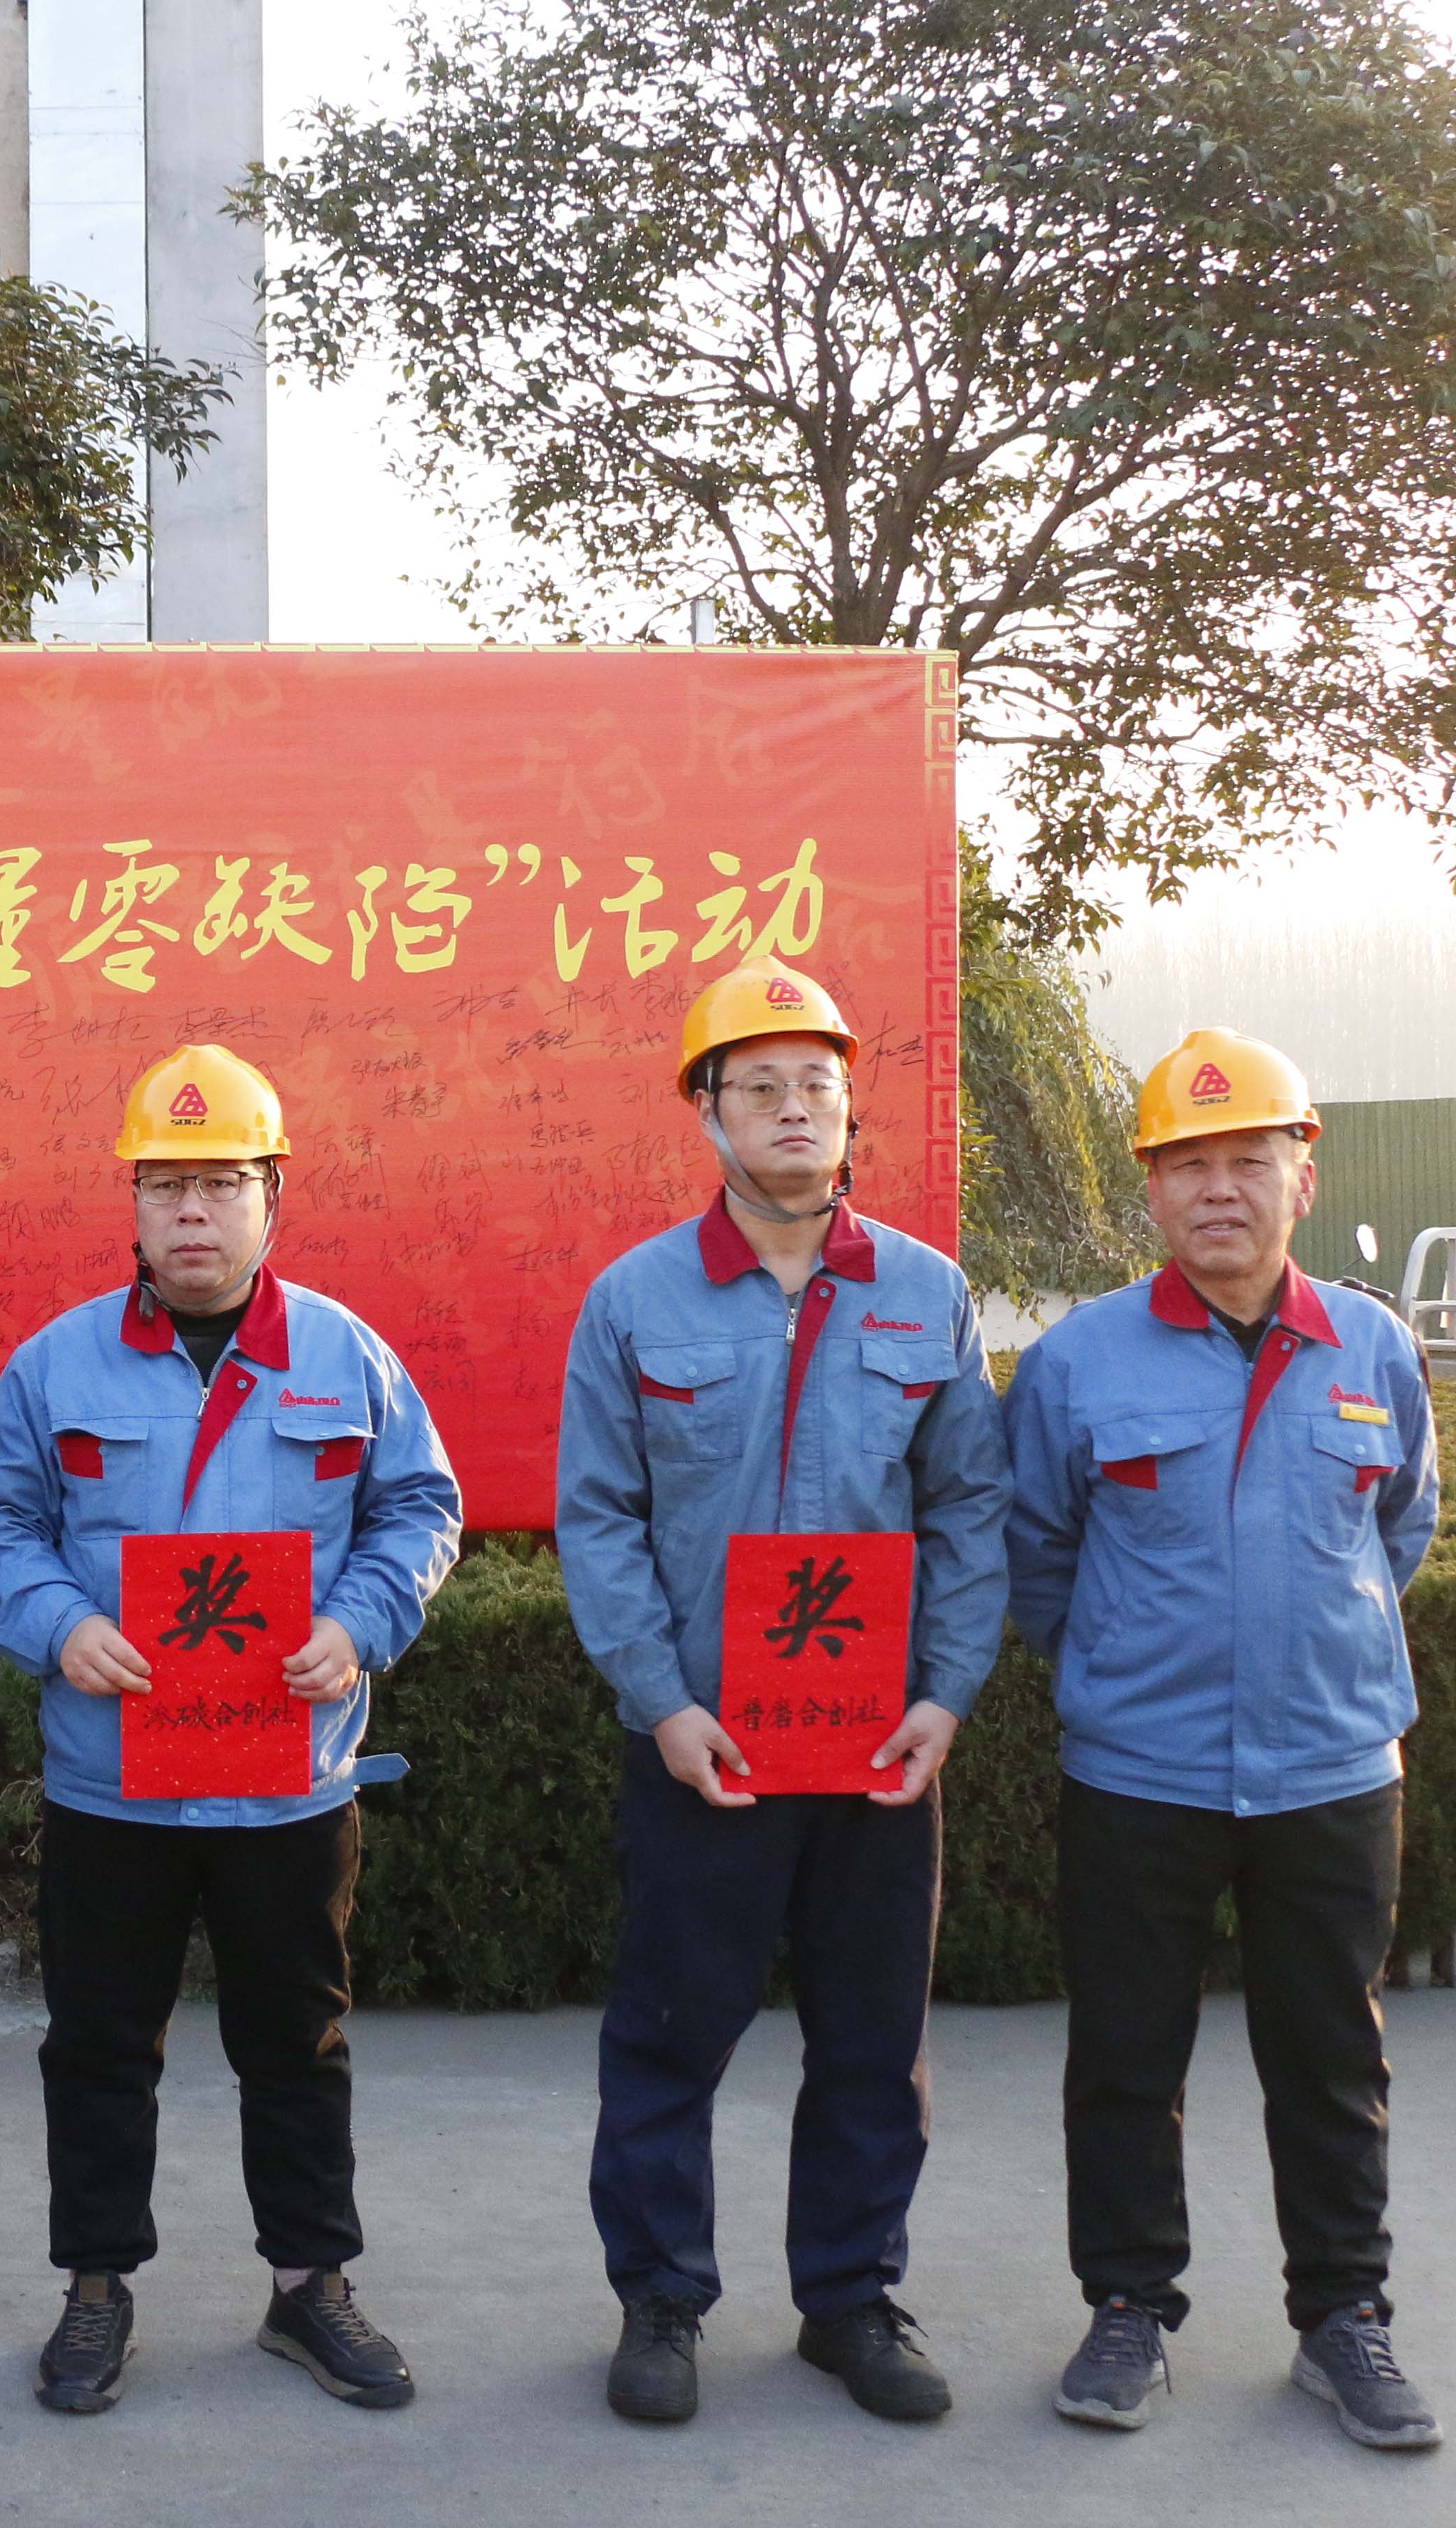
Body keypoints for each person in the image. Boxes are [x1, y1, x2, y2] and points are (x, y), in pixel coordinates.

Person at [0, 1044, 462, 2418]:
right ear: (132, 1201)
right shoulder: (56, 1365)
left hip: (289, 1783)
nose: (193, 1211)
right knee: (99, 2046)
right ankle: (96, 2289)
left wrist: (360, 1621)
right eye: (167, 1183)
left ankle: (309, 2285)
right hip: (111, 1784)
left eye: (222, 1182)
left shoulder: (348, 1358)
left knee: (296, 2043)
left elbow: (421, 1509)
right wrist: (58, 1621)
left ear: (271, 1196)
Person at [554, 954, 1007, 2426]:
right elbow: (599, 1520)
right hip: (707, 1749)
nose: (794, 1107)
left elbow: (971, 1510)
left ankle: (852, 2300)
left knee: (873, 2042)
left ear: (850, 1107)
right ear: (709, 1115)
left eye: (817, 1082)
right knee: (669, 2035)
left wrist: (945, 1695)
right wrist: (661, 1702)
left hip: (878, 1750)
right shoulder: (636, 1301)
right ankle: (661, 2301)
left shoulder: (926, 1293)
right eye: (759, 1086)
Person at [1005, 1028, 1444, 2450]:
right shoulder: (1079, 1362)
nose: (1218, 1191)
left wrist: (1315, 1651)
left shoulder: (1374, 1348)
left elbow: (1400, 1529)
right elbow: (1036, 1553)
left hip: (1331, 1770)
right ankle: (1129, 2306)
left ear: (1302, 1178)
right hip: (1141, 1774)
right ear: (1149, 1191)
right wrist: (1123, 1668)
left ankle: (1345, 2317)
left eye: (1248, 1160)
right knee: (1127, 2057)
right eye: (1187, 1165)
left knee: (1331, 2061)